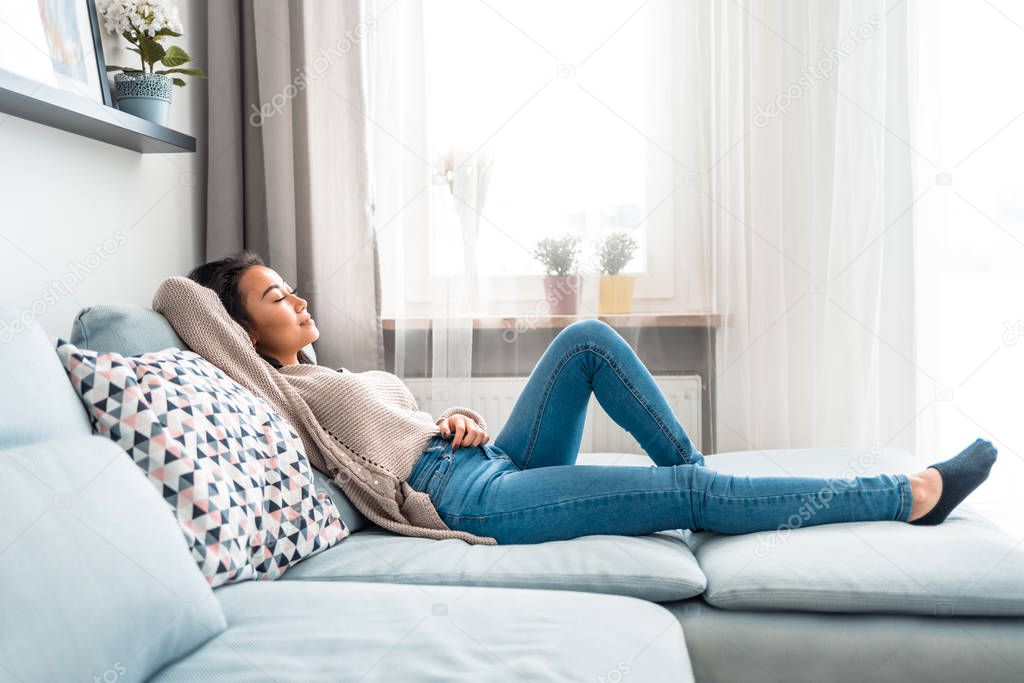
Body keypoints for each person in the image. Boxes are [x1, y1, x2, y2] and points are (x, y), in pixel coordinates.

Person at [167, 251, 997, 545]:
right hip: (475, 502)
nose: (301, 301)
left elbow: (410, 432)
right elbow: (182, 297)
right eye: (277, 297)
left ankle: (697, 482)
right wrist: (229, 293)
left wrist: (456, 420)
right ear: (241, 331)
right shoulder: (277, 389)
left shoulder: (341, 378)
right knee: (683, 492)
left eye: (292, 288)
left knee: (587, 338)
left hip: (484, 459)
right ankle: (906, 494)